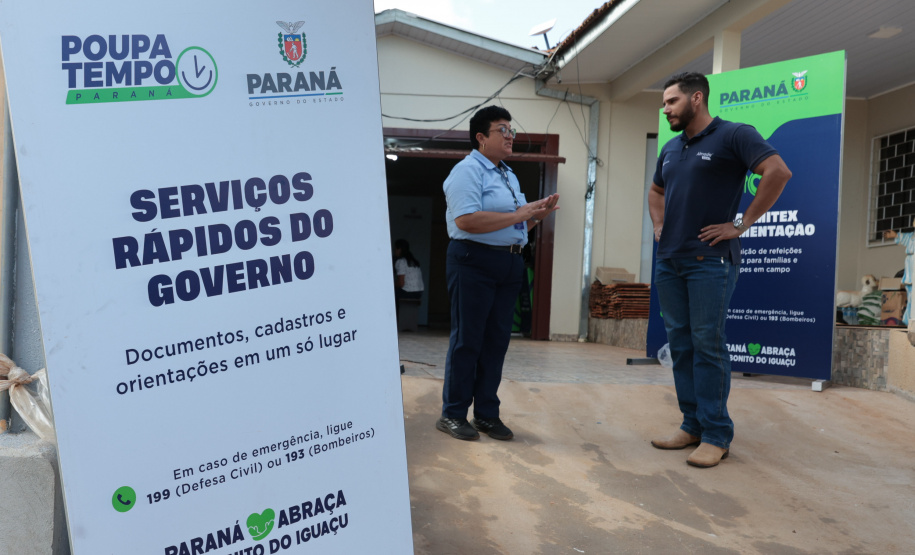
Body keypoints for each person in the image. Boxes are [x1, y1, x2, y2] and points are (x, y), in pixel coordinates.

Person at [648, 72, 792, 468]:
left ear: (697, 99)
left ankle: (716, 434)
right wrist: (658, 226)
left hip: (710, 261)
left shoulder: (734, 135)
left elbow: (778, 172)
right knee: (681, 346)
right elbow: (656, 190)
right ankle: (691, 425)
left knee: (707, 345)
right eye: (663, 104)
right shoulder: (672, 148)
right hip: (670, 261)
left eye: (671, 102)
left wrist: (740, 224)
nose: (665, 110)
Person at [437, 105, 559, 442]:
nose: (510, 136)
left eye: (511, 130)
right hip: (473, 261)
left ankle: (487, 414)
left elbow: (517, 225)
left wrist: (537, 215)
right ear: (481, 137)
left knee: (496, 342)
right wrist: (521, 212)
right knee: (468, 340)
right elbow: (467, 221)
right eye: (502, 130)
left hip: (509, 262)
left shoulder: (508, 174)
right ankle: (453, 413)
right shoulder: (467, 171)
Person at [884, 217, 914, 326]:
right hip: (910, 263)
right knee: (910, 293)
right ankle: (909, 319)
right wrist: (895, 235)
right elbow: (905, 237)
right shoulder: (911, 235)